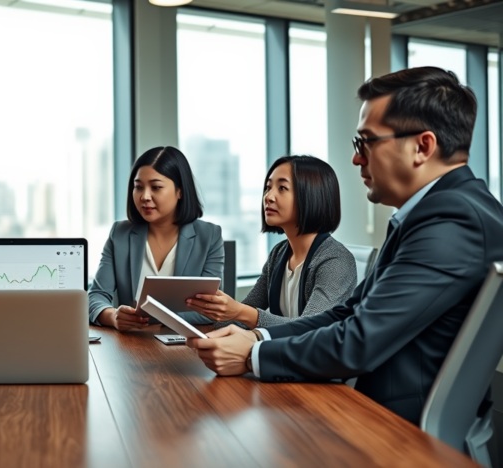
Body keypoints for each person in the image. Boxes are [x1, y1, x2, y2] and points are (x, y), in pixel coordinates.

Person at [187, 66, 503, 425]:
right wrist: (259, 335)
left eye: (366, 142)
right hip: (376, 410)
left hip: (398, 428)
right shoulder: (436, 212)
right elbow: (346, 313)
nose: (356, 158)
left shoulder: (451, 221)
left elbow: (358, 342)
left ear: (422, 146)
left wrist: (253, 354)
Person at [185, 155, 356, 329]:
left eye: (282, 188)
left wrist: (240, 313)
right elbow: (246, 310)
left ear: (312, 195)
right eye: (268, 187)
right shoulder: (279, 253)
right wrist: (209, 316)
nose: (268, 197)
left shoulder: (336, 261)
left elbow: (309, 328)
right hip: (282, 353)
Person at [89, 146, 224, 330]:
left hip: (185, 348)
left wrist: (154, 317)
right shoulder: (120, 234)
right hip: (132, 346)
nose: (144, 196)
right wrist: (113, 316)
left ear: (180, 191)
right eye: (138, 187)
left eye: (156, 187)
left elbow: (211, 308)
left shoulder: (209, 236)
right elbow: (95, 296)